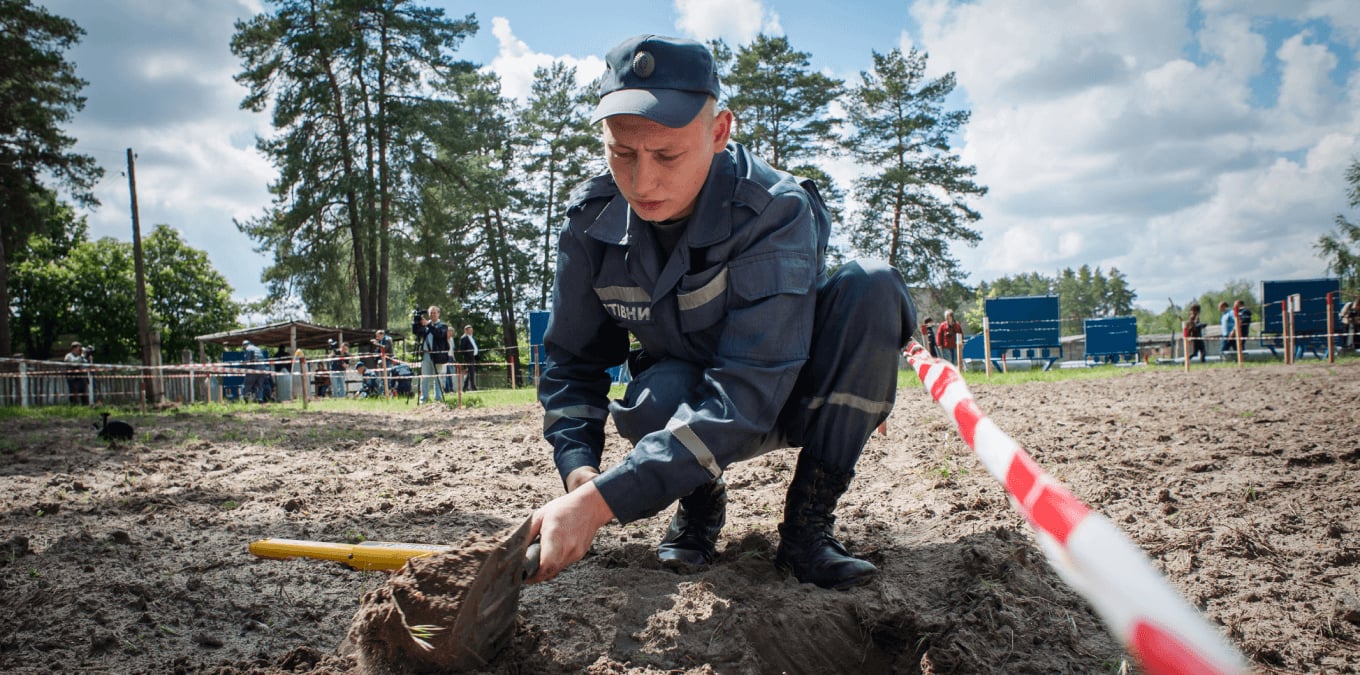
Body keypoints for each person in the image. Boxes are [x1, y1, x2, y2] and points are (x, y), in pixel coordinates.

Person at [531, 35, 917, 592]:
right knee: (650, 400)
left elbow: (746, 393)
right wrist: (579, 473)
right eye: (622, 154)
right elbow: (570, 364)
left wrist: (602, 503)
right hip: (685, 396)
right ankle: (698, 505)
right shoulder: (592, 220)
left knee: (874, 288)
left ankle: (809, 528)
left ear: (718, 133)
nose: (642, 182)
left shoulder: (774, 209)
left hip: (790, 390)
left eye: (666, 155)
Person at [412, 306, 450, 403]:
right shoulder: (426, 326)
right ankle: (424, 399)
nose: (433, 315)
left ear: (438, 314)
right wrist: (415, 322)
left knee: (437, 378)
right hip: (426, 355)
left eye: (434, 313)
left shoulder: (443, 326)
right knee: (425, 378)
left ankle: (438, 399)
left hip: (437, 355)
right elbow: (416, 332)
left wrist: (428, 325)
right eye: (431, 313)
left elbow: (439, 334)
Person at [63, 341, 90, 405]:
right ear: (74, 348)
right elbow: (74, 363)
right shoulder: (68, 356)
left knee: (83, 391)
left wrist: (88, 358)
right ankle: (73, 406)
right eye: (79, 348)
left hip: (80, 376)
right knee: (73, 392)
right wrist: (82, 356)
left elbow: (85, 365)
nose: (80, 350)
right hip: (72, 376)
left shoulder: (80, 357)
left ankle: (85, 406)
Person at [458, 325, 479, 391]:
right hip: (468, 358)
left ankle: (465, 387)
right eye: (469, 330)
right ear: (466, 331)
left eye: (471, 330)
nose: (471, 331)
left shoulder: (472, 337)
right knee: (471, 372)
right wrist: (466, 356)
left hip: (473, 357)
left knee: (470, 372)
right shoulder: (464, 338)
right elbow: (462, 349)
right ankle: (473, 387)